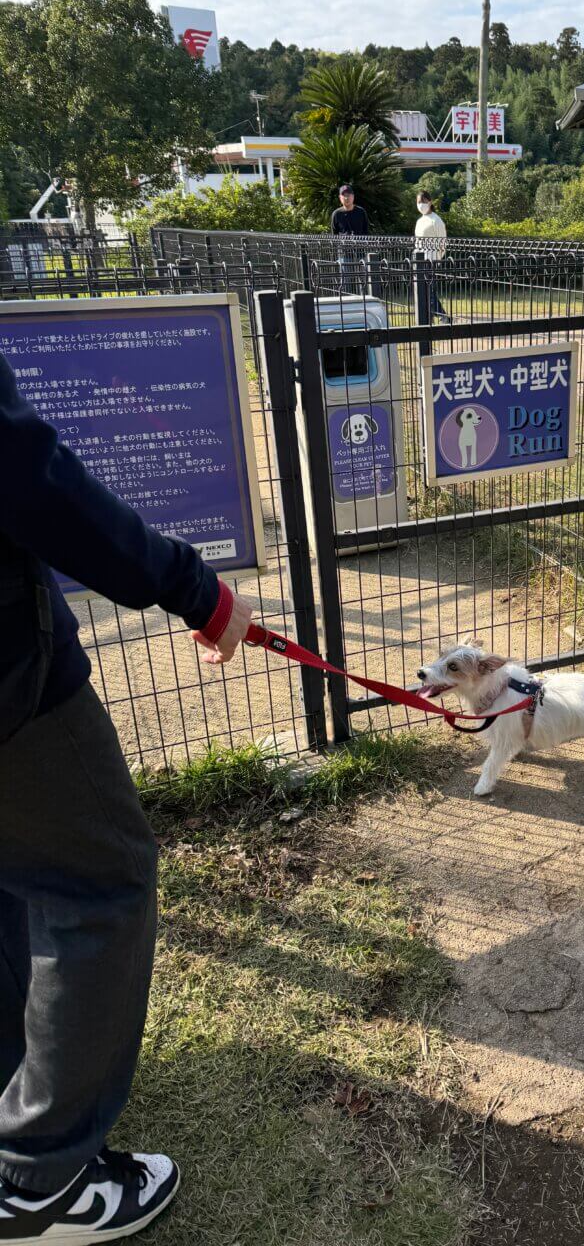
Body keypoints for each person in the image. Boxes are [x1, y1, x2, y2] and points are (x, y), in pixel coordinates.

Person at [0, 352, 256, 1243]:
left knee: (12, 881)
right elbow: (24, 473)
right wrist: (189, 585)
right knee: (97, 882)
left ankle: (16, 1100)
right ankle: (39, 1179)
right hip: (9, 684)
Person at [414, 191, 449, 322]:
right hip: (419, 259)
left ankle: (442, 315)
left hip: (431, 260)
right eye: (418, 202)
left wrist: (437, 259)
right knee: (422, 291)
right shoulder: (420, 221)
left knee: (429, 291)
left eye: (423, 201)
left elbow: (442, 242)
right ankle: (430, 316)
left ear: (430, 202)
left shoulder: (436, 220)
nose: (421, 205)